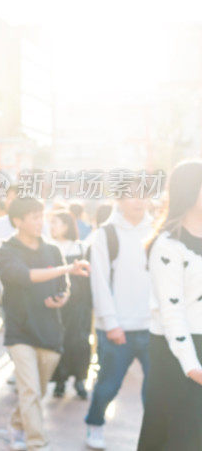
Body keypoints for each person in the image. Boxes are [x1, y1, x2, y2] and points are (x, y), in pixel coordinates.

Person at [0, 197, 90, 450]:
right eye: (35, 217)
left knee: (36, 391)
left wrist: (62, 297)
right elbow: (24, 276)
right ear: (18, 221)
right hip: (19, 330)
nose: (41, 222)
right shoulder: (5, 252)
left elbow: (64, 287)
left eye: (41, 216)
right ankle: (36, 443)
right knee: (30, 391)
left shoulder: (52, 250)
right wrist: (66, 269)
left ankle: (16, 424)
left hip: (49, 331)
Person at [137, 161, 202, 450]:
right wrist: (192, 367)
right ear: (189, 193)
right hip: (175, 353)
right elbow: (171, 311)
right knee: (176, 438)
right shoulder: (167, 245)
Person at [84, 184, 153, 450]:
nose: (139, 200)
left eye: (143, 194)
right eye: (132, 195)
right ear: (120, 200)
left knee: (155, 391)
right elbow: (99, 282)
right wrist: (111, 323)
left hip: (152, 327)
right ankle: (95, 423)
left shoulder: (159, 229)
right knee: (108, 386)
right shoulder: (106, 234)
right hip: (116, 327)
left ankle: (152, 435)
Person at [49, 210, 92, 399]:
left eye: (55, 223)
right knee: (59, 341)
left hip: (79, 304)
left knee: (80, 341)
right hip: (57, 303)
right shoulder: (49, 248)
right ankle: (60, 380)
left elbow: (89, 278)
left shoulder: (81, 248)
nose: (51, 227)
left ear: (66, 225)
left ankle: (80, 379)